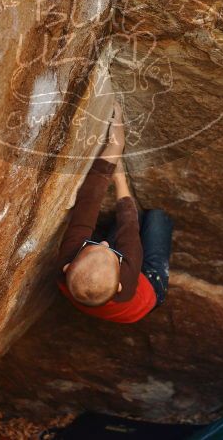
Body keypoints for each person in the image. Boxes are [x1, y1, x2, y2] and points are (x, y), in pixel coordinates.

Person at [57, 102, 173, 323]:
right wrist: (119, 176)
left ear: (68, 266)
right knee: (157, 218)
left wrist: (114, 143)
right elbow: (129, 226)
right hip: (147, 294)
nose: (105, 243)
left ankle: (104, 259)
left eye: (93, 247)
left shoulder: (67, 261)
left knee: (133, 222)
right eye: (114, 254)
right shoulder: (129, 280)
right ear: (120, 284)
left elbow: (88, 201)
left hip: (93, 291)